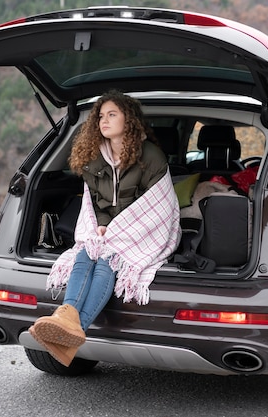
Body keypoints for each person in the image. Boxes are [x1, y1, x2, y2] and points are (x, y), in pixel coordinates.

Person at [28, 90, 181, 367]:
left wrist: (115, 231)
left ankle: (72, 327)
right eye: (101, 116)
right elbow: (94, 203)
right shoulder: (92, 157)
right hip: (108, 231)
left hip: (144, 231)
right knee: (87, 251)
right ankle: (68, 318)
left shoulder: (151, 157)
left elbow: (160, 208)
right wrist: (99, 225)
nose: (104, 121)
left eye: (112, 115)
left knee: (107, 260)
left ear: (129, 119)